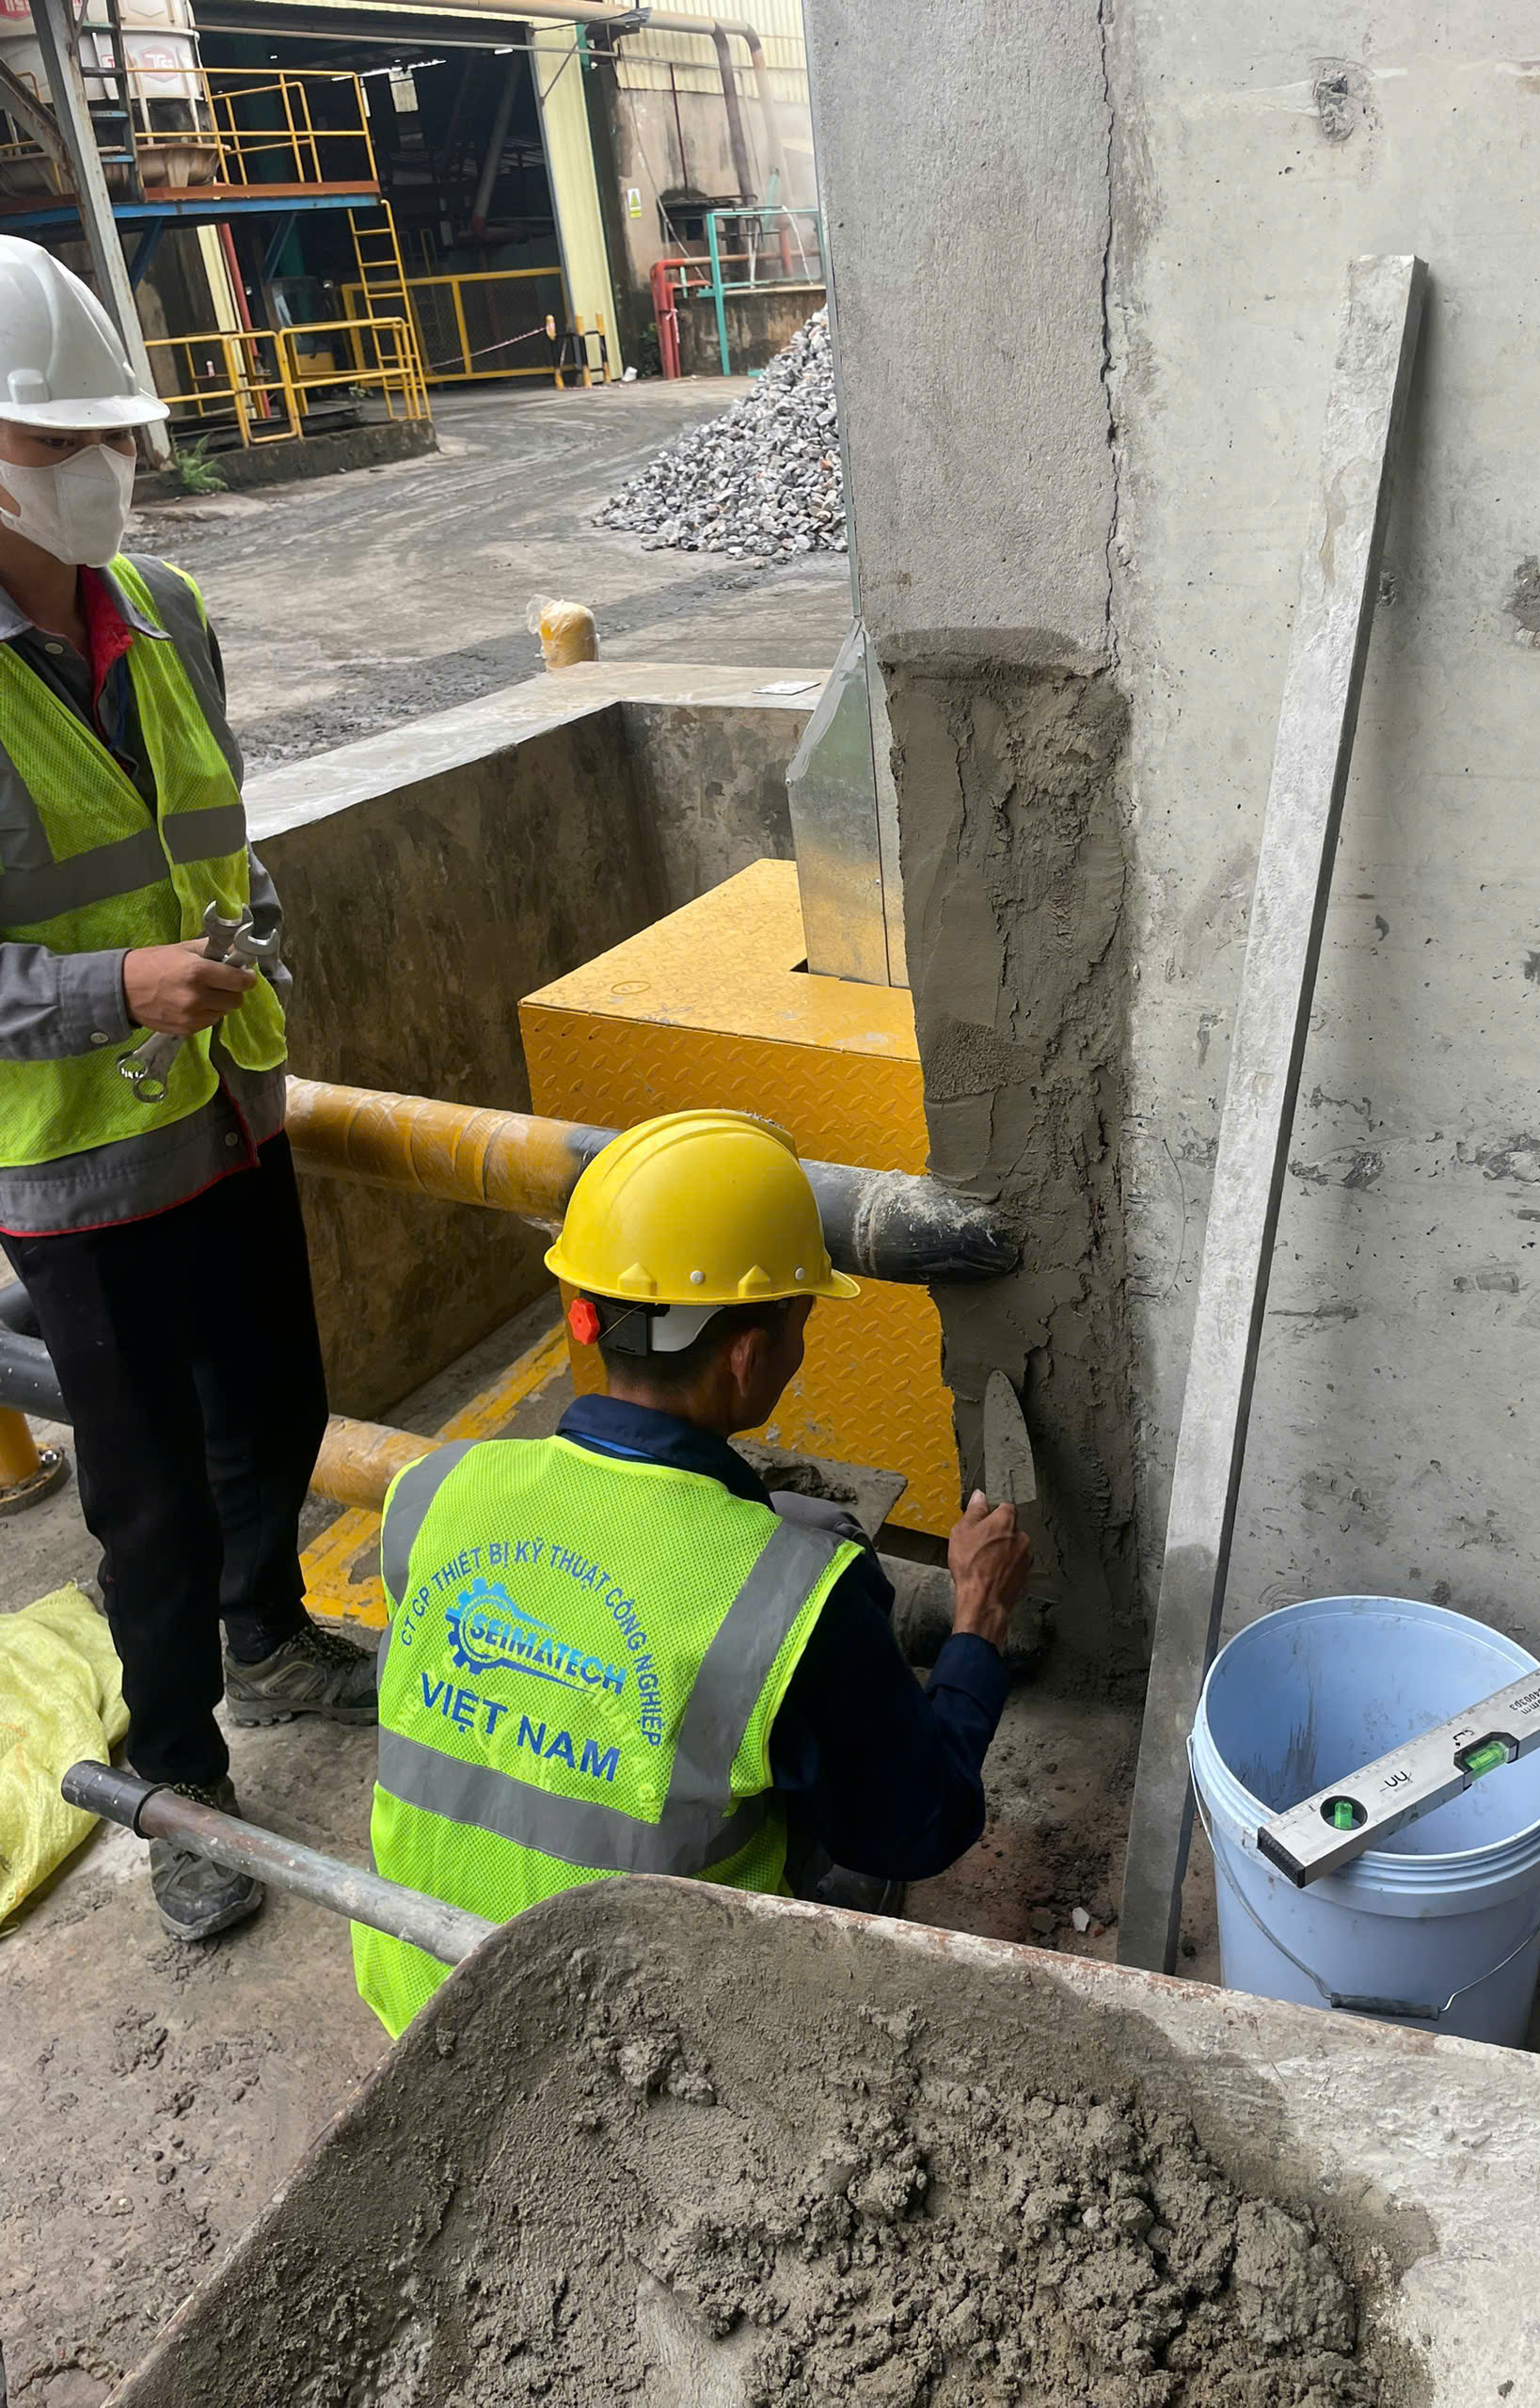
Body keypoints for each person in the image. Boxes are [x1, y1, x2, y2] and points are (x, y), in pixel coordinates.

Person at [0, 237, 375, 1945]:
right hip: (81, 1173)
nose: (102, 467)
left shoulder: (168, 611)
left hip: (225, 1114)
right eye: (55, 439)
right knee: (142, 1499)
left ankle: (268, 1634)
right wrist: (111, 990)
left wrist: (237, 949)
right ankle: (178, 1778)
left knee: (280, 1408)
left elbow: (210, 838)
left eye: (115, 433)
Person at [355, 1108, 1031, 2035]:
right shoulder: (792, 1596)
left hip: (419, 1988)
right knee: (839, 1767)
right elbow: (923, 1826)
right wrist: (977, 1625)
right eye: (798, 1321)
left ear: (592, 1318)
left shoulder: (435, 1489)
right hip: (629, 2040)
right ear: (748, 1354)